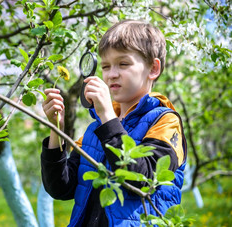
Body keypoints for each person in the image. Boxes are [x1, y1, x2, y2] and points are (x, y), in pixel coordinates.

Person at [41, 19, 187, 227]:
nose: (111, 74)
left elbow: (142, 180)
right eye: (106, 66)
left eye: (123, 64)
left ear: (153, 69)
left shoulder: (165, 122)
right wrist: (56, 129)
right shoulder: (96, 129)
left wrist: (107, 117)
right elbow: (60, 188)